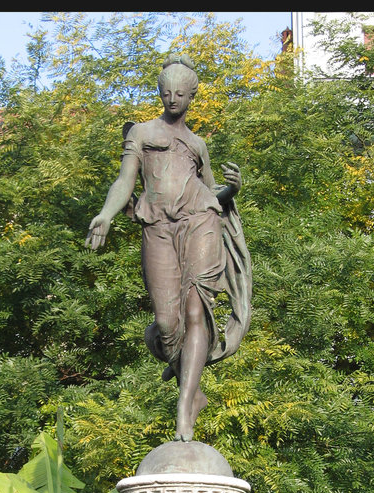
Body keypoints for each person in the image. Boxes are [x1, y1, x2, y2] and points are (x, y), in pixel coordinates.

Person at [86, 54, 251, 442]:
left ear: (192, 96)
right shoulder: (141, 133)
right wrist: (107, 214)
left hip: (201, 223)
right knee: (166, 324)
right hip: (158, 226)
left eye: (180, 93)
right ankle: (191, 391)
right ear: (159, 93)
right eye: (165, 92)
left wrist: (234, 190)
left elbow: (212, 192)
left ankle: (184, 409)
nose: (172, 98)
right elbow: (125, 180)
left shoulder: (197, 143)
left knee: (197, 309)